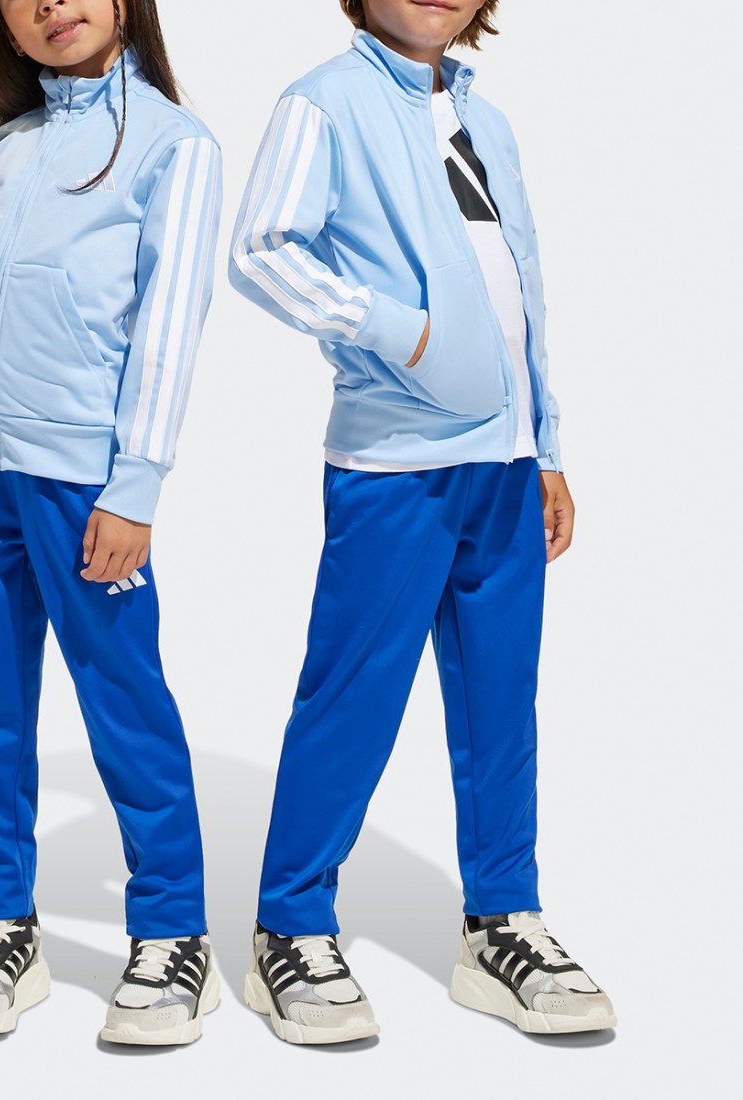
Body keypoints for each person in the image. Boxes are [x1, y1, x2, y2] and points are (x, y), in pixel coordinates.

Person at [229, 0, 616, 1042]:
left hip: (505, 463)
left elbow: (520, 292)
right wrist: (400, 333)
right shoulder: (324, 103)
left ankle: (501, 920)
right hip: (394, 463)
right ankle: (288, 924)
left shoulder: (487, 120)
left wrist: (545, 442)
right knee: (352, 694)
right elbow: (260, 249)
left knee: (501, 702)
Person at [0, 0, 221, 1045]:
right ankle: (1, 922)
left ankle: (172, 931)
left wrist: (136, 485)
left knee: (125, 701)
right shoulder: (5, 148)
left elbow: (169, 323)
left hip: (82, 481)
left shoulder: (174, 144)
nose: (50, 4)